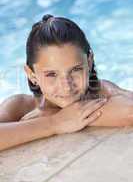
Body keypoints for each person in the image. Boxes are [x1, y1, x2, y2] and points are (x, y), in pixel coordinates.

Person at [0, 14, 133, 152]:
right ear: (31, 74)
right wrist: (55, 123)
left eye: (75, 69)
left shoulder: (102, 91)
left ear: (89, 62)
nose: (66, 86)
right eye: (51, 74)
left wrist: (56, 115)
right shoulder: (19, 106)